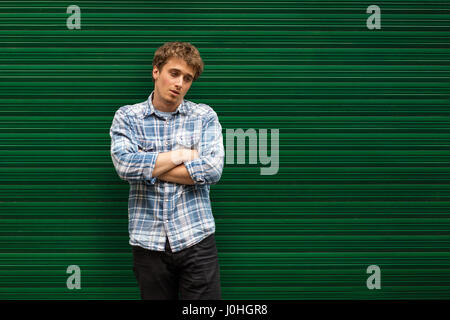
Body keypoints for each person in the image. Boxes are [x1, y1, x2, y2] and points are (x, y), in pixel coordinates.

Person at [109, 41, 224, 300]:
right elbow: (125, 165)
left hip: (197, 239)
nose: (180, 83)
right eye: (174, 73)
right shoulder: (128, 117)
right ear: (156, 71)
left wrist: (149, 166)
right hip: (148, 243)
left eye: (187, 78)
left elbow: (212, 169)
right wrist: (181, 156)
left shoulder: (203, 116)